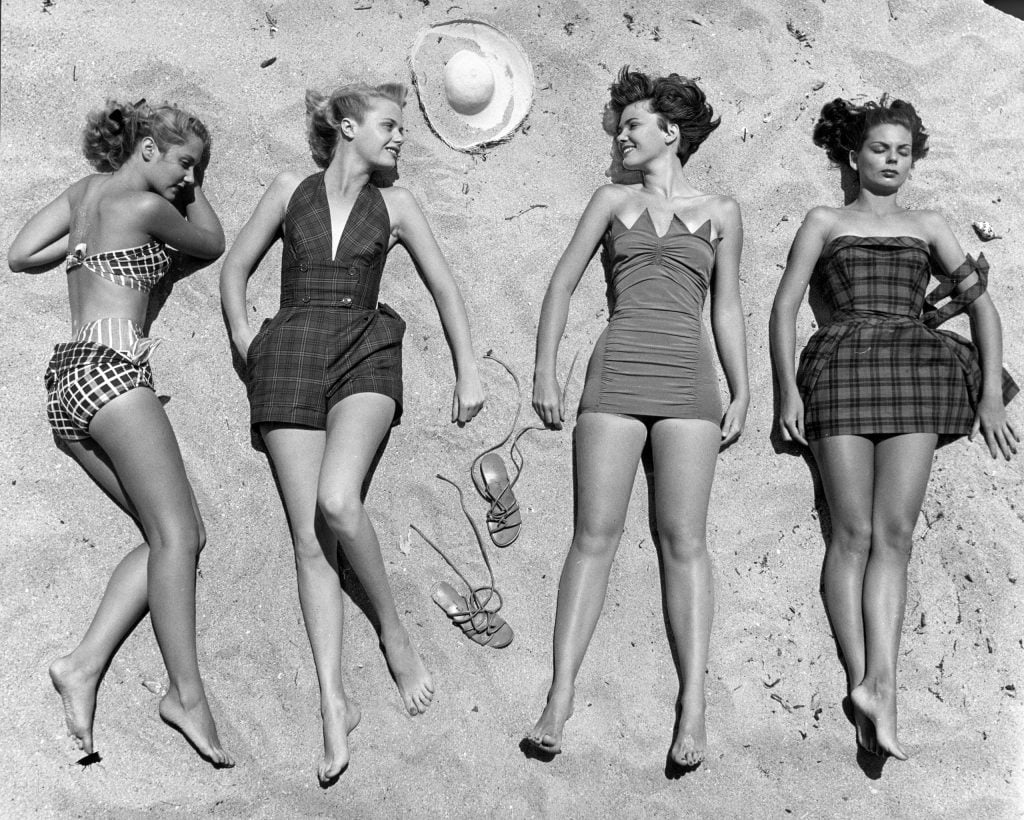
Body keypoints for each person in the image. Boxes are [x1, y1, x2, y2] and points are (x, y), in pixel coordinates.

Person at [220, 82, 484, 783]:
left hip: (365, 347)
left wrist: (468, 369)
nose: (400, 138)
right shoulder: (289, 189)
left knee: (338, 503)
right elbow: (236, 268)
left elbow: (444, 286)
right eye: (390, 125)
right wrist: (249, 341)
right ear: (346, 126)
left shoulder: (398, 206)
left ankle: (393, 632)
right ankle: (334, 703)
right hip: (289, 354)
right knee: (310, 540)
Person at [769, 96, 1018, 760]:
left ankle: (884, 685)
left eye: (903, 152)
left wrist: (990, 397)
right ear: (855, 156)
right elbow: (786, 305)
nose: (892, 160)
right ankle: (863, 679)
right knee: (851, 532)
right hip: (842, 367)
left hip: (915, 371)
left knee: (896, 535)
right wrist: (785, 389)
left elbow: (984, 311)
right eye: (880, 149)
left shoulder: (928, 224)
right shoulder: (824, 220)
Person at [526, 67, 749, 766]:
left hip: (688, 378)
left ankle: (693, 707)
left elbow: (727, 307)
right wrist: (544, 368)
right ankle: (560, 696)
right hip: (617, 370)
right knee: (593, 537)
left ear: (671, 131)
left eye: (633, 124)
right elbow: (562, 282)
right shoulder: (611, 201)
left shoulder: (722, 211)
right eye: (620, 126)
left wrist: (743, 389)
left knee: (684, 541)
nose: (622, 136)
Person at [8, 99, 233, 766]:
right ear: (147, 148)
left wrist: (80, 250)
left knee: (172, 537)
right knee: (179, 537)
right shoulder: (143, 207)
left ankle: (81, 666)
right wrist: (192, 191)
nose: (187, 177)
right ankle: (185, 694)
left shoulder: (86, 195)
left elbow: (20, 253)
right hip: (112, 374)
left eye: (195, 169)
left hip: (67, 384)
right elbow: (212, 241)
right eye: (183, 162)